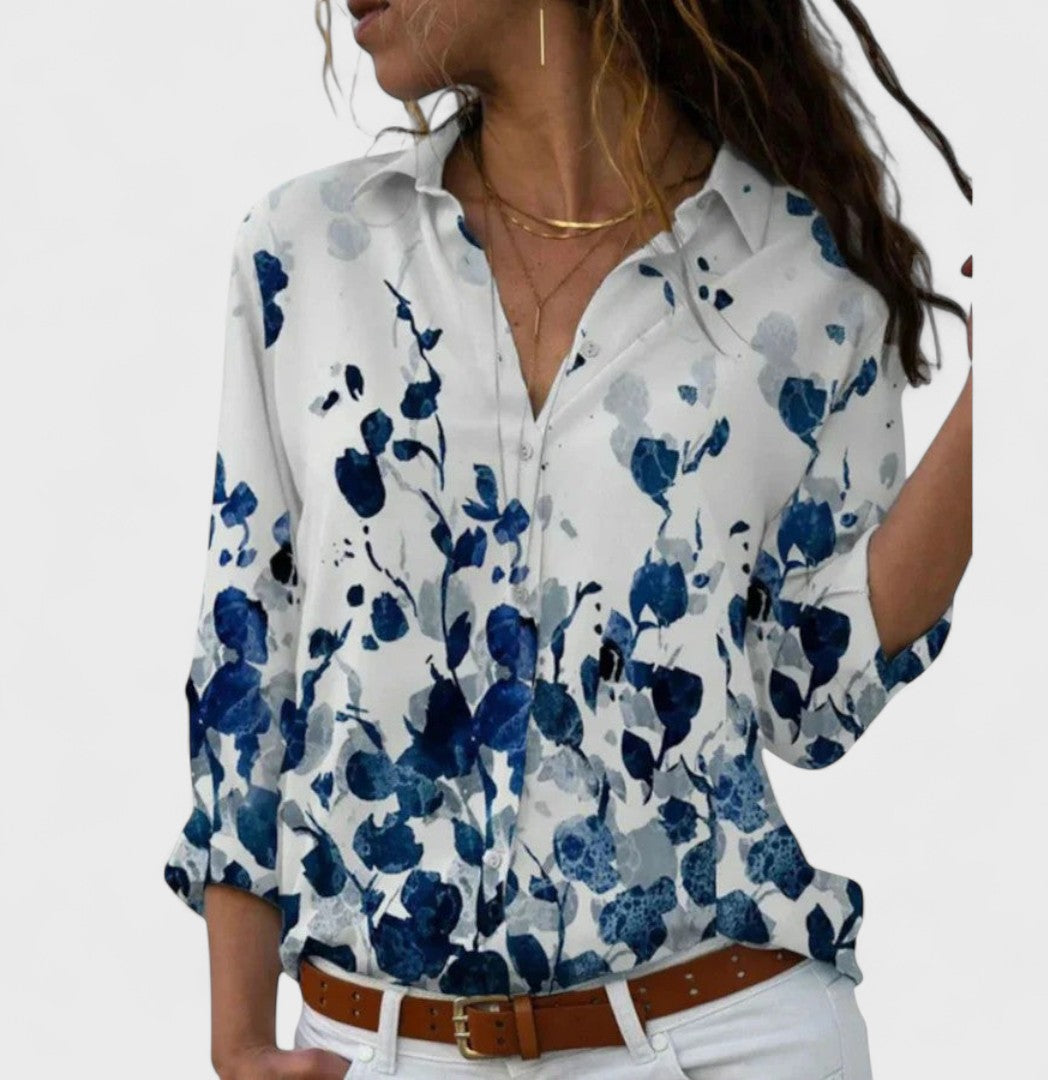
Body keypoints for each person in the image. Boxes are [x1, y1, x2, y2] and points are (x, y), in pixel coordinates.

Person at [162, 2, 973, 1077]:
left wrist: (1014, 390)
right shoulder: (307, 253)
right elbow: (246, 648)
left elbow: (809, 696)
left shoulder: (806, 277)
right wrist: (238, 1038)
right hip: (381, 1048)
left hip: (721, 1037)